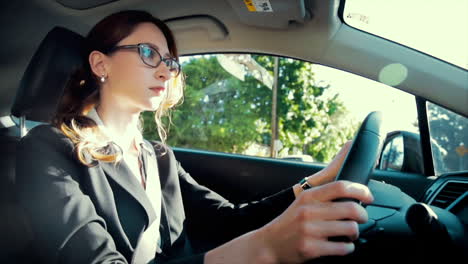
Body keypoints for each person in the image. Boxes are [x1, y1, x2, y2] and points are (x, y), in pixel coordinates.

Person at [15, 10, 373, 264]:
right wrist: (263, 250)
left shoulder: (156, 156)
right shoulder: (47, 150)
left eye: (170, 61)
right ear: (100, 64)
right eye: (147, 53)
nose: (166, 70)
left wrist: (315, 182)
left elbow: (227, 222)